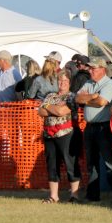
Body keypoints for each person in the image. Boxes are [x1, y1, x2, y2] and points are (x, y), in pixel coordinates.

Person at [76, 57, 112, 202]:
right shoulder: (89, 83)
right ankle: (93, 195)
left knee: (109, 162)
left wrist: (88, 98)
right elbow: (77, 98)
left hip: (104, 127)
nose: (90, 71)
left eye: (93, 68)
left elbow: (102, 102)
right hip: (90, 127)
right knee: (91, 163)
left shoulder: (110, 83)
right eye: (89, 68)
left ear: (102, 69)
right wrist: (93, 96)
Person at [38, 70, 81, 203]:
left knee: (70, 164)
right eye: (60, 81)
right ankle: (53, 196)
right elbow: (40, 111)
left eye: (65, 81)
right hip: (49, 134)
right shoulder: (50, 95)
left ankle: (74, 195)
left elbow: (62, 111)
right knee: (52, 164)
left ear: (70, 83)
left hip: (66, 133)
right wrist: (53, 108)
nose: (62, 83)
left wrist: (48, 107)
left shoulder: (72, 97)